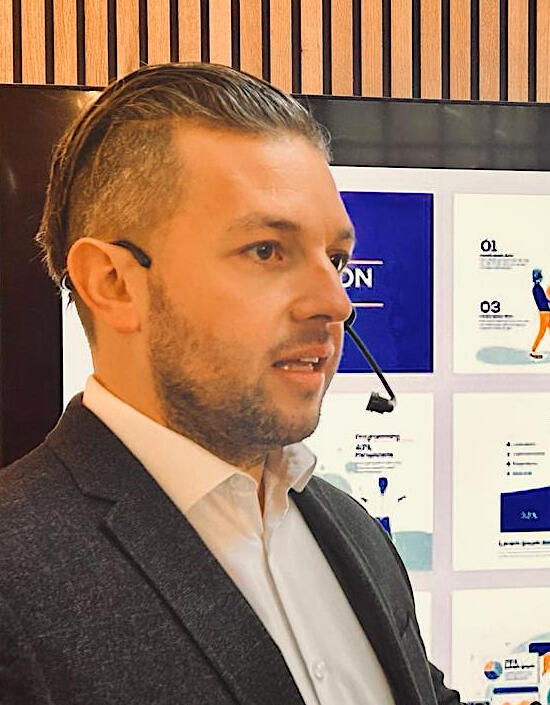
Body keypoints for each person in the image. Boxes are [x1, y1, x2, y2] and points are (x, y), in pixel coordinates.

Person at [0, 63, 462, 704]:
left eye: (335, 258)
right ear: (114, 284)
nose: (336, 302)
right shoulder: (16, 577)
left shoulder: (350, 529)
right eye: (267, 250)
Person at [530, 268, 550, 359]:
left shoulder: (538, 288)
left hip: (546, 312)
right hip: (544, 313)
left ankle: (534, 350)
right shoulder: (537, 288)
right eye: (540, 275)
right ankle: (533, 350)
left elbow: (545, 300)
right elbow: (542, 301)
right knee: (542, 332)